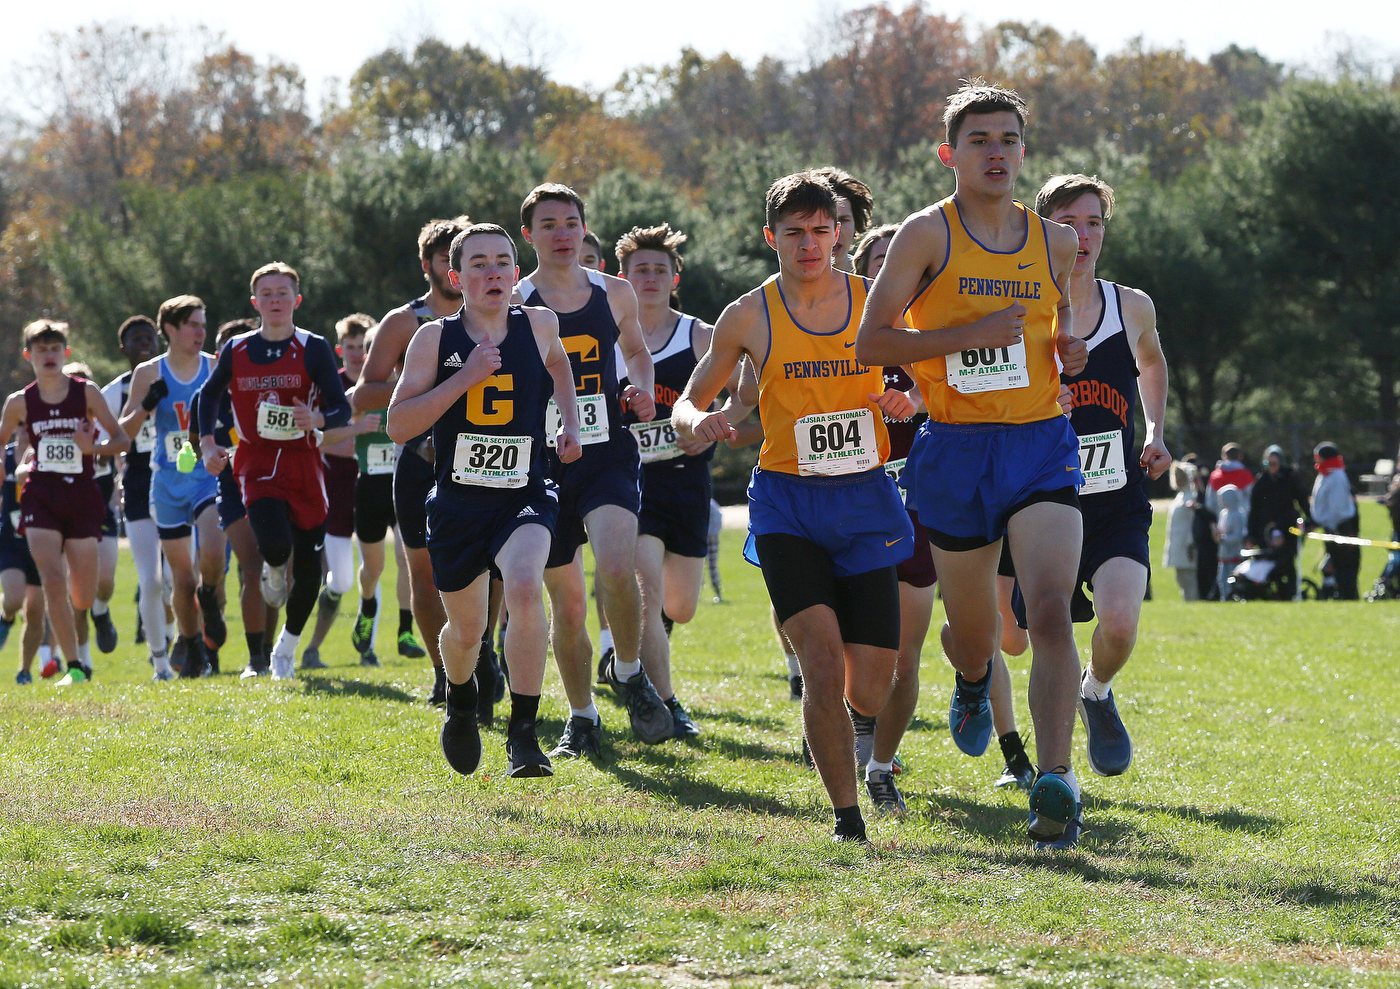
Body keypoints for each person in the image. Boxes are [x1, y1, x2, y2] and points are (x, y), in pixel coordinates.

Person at [855, 82, 1090, 848]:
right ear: (949, 153)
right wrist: (963, 338)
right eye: (981, 140)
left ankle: (1054, 781)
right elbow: (873, 344)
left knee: (1049, 608)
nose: (997, 152)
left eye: (1010, 140)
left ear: (1025, 151)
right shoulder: (928, 235)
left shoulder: (1056, 242)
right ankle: (969, 679)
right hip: (954, 449)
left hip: (1039, 444)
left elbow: (1065, 331)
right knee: (972, 634)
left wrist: (1071, 349)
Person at [675, 170, 916, 841]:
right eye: (794, 233)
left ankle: (853, 722)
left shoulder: (875, 299)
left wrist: (911, 398)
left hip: (866, 498)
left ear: (838, 232)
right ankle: (846, 819)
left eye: (819, 230)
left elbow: (934, 372)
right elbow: (692, 396)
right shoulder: (749, 314)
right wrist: (697, 419)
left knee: (871, 684)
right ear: (771, 238)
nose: (809, 244)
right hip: (787, 504)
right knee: (818, 658)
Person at [388, 222, 582, 777]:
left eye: (502, 261)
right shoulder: (434, 339)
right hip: (456, 502)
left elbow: (560, 367)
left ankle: (524, 735)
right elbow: (398, 425)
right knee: (466, 632)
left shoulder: (541, 325)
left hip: (525, 491)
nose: (492, 271)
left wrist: (567, 424)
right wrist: (464, 379)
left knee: (524, 587)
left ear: (517, 275)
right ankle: (460, 696)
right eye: (478, 263)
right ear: (456, 277)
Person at [1023, 172, 1171, 780]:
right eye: (1067, 223)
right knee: (1016, 639)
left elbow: (1153, 362)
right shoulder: (1021, 309)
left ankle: (1098, 692)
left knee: (1119, 624)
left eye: (1093, 223)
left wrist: (1158, 432)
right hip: (1041, 501)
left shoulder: (1130, 305)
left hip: (1115, 501)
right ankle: (1031, 745)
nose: (1081, 236)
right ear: (1043, 231)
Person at [515, 183, 673, 755]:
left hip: (607, 450)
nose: (562, 234)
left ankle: (629, 673)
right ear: (528, 235)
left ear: (585, 229)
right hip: (544, 462)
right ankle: (581, 716)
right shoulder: (515, 300)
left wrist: (642, 387)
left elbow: (636, 350)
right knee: (568, 604)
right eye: (549, 224)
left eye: (571, 223)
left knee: (615, 565)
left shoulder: (616, 293)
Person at [196, 262, 352, 680]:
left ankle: (286, 648)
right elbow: (206, 397)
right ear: (255, 302)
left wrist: (316, 418)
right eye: (266, 293)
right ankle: (273, 566)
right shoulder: (238, 349)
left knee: (309, 572)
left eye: (283, 292)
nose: (275, 300)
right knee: (275, 546)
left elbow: (341, 408)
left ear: (296, 300)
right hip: (256, 460)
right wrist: (208, 443)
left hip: (304, 464)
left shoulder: (313, 347)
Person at [353, 217, 467, 704]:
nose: (454, 268)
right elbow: (363, 394)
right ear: (428, 265)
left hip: (486, 458)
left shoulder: (501, 311)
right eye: (445, 259)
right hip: (421, 457)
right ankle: (443, 672)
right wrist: (421, 386)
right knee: (423, 573)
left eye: (460, 259)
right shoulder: (404, 322)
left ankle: (487, 660)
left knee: (492, 567)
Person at [613, 221, 719, 738]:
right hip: (629, 486)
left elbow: (735, 394)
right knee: (646, 592)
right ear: (623, 278)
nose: (650, 278)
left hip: (686, 481)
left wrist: (709, 431)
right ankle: (666, 703)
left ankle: (635, 655)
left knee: (681, 605)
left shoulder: (699, 335)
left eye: (660, 270)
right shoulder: (609, 338)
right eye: (641, 271)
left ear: (675, 278)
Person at [0, 321, 131, 685]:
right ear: (29, 356)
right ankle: (73, 666)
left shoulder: (86, 393)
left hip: (83, 497)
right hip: (41, 496)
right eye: (40, 350)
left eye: (55, 348)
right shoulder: (19, 402)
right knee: (52, 581)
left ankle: (92, 616)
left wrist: (94, 449)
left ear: (66, 353)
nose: (49, 355)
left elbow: (122, 440)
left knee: (82, 595)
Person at [120, 296, 228, 679]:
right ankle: (192, 643)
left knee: (214, 546)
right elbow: (123, 435)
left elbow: (233, 419)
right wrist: (147, 404)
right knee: (180, 579)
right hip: (166, 482)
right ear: (170, 329)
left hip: (204, 474)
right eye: (193, 325)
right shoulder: (150, 373)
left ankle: (211, 599)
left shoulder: (215, 366)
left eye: (203, 324)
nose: (201, 332)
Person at [299, 314, 383, 671]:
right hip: (336, 490)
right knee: (341, 580)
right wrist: (358, 431)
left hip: (377, 486)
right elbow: (317, 440)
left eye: (363, 348)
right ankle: (312, 647)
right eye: (350, 348)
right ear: (340, 350)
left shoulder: (382, 384)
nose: (356, 355)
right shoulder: (331, 388)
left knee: (374, 570)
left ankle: (368, 649)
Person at [206, 318, 279, 677]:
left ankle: (272, 649)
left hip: (277, 481)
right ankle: (256, 659)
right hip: (234, 486)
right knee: (252, 568)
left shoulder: (275, 384)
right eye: (226, 347)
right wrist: (211, 452)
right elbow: (195, 439)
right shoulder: (210, 394)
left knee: (277, 568)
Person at [347, 321, 417, 671]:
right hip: (371, 486)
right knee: (373, 567)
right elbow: (327, 428)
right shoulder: (361, 396)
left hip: (403, 482)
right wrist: (356, 426)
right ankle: (367, 604)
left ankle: (406, 632)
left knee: (407, 558)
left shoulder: (413, 388)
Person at [102, 316, 163, 651]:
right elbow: (112, 443)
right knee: (151, 580)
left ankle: (184, 641)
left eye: (149, 337)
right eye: (136, 338)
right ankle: (160, 655)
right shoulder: (113, 392)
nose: (144, 343)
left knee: (179, 578)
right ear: (122, 347)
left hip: (180, 480)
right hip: (139, 482)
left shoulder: (179, 375)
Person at [1, 441, 47, 682]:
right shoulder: (4, 458)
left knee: (35, 612)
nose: (22, 427)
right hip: (10, 541)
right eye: (17, 422)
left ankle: (25, 671)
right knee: (15, 598)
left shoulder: (47, 454)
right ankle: (6, 617)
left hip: (41, 540)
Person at [1248, 444, 1310, 598]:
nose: (1271, 467)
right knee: (1268, 560)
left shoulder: (1291, 477)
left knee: (1287, 561)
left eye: (1274, 463)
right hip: (1266, 530)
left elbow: (1302, 500)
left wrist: (1310, 521)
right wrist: (1251, 535)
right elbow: (1254, 510)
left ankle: (1291, 593)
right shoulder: (1261, 481)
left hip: (1288, 527)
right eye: (1267, 464)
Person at [1310, 442, 1359, 600]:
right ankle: (1338, 593)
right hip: (1330, 527)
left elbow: (1337, 508)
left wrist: (1333, 527)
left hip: (1340, 526)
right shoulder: (1325, 474)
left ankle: (1347, 596)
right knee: (1336, 563)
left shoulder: (1336, 475)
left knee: (1345, 565)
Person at [815, 167, 874, 273]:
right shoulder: (783, 285)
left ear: (856, 224)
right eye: (823, 222)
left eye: (843, 220)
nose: (834, 230)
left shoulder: (871, 281)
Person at [1164, 462, 1199, 601]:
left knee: (1190, 580)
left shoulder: (1192, 497)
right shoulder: (1180, 497)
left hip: (1187, 545)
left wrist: (1191, 543)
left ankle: (1194, 603)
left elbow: (1193, 523)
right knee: (1181, 579)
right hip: (1177, 545)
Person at [1214, 484, 1247, 600]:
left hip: (1234, 553)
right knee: (1222, 580)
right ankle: (1224, 598)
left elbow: (1238, 536)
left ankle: (1234, 598)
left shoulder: (1237, 515)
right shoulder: (1224, 514)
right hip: (1224, 553)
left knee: (1233, 580)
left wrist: (1223, 538)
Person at [1208, 443, 1254, 515]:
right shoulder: (1245, 475)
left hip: (1220, 517)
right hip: (1242, 517)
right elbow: (1251, 497)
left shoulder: (1215, 475)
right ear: (1240, 456)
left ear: (1224, 456)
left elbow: (1209, 503)